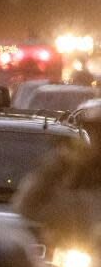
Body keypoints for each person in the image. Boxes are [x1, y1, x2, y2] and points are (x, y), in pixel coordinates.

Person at [13, 103, 101, 243]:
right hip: (72, 250)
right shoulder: (64, 173)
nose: (96, 139)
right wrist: (61, 163)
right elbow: (25, 205)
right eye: (93, 132)